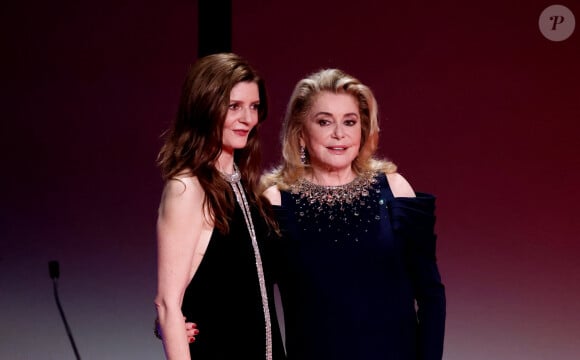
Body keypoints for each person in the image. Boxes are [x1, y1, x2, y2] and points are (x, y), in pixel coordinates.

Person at [180, 68, 446, 359]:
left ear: (362, 129)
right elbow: (242, 292)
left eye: (350, 122)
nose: (339, 134)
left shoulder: (394, 190)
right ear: (301, 132)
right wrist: (179, 319)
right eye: (324, 122)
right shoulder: (275, 201)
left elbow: (431, 295)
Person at [154, 52, 285, 360]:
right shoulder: (188, 187)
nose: (248, 119)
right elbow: (167, 304)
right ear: (205, 106)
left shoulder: (246, 189)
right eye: (234, 106)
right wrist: (168, 326)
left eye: (253, 107)